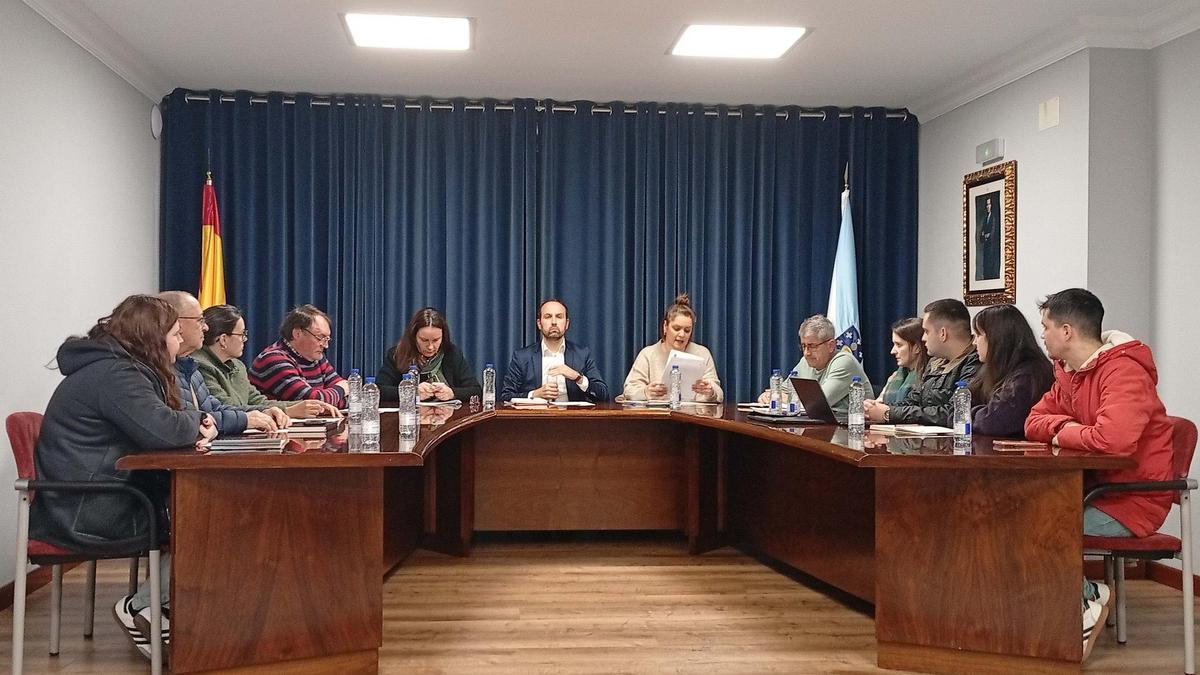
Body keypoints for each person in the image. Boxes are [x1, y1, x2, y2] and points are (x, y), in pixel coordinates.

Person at [28, 295, 216, 659]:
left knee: (201, 506)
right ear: (153, 337)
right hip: (92, 509)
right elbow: (164, 430)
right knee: (204, 513)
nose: (180, 344)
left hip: (101, 495)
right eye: (176, 335)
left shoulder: (118, 367)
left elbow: (171, 420)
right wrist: (197, 424)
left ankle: (161, 606)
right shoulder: (117, 374)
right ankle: (142, 606)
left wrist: (191, 423)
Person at [1024, 288, 1173, 660]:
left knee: (1040, 527)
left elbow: (1113, 441)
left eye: (1046, 327)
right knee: (1018, 515)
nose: (1042, 335)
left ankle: (1089, 597)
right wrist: (1068, 428)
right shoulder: (1069, 373)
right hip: (1093, 490)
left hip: (1133, 500)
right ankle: (1057, 612)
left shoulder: (1123, 371)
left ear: (1067, 330)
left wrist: (1062, 431)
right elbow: (1033, 421)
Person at [159, 292, 289, 434]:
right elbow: (183, 423)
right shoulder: (191, 365)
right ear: (177, 323)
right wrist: (245, 419)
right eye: (200, 320)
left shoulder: (190, 368)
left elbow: (215, 408)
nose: (205, 327)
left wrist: (262, 412)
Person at [194, 304, 341, 418]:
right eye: (241, 334)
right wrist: (290, 410)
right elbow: (224, 407)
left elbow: (258, 401)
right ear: (224, 339)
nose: (245, 339)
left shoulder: (237, 366)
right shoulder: (200, 365)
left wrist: (309, 406)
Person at [865, 298, 981, 426]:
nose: (923, 338)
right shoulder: (934, 363)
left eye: (926, 331)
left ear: (943, 333)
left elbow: (953, 413)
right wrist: (877, 408)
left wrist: (889, 413)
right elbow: (912, 401)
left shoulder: (975, 363)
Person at [967, 304, 1054, 437]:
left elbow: (993, 422)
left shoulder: (1029, 374)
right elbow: (958, 406)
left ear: (996, 338)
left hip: (1020, 455)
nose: (974, 343)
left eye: (979, 335)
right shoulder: (991, 369)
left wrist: (968, 415)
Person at [756, 314, 869, 416]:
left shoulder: (844, 362)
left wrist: (783, 398)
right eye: (803, 346)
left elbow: (817, 404)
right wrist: (771, 396)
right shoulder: (806, 361)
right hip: (820, 425)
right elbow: (784, 390)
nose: (806, 353)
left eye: (812, 346)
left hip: (853, 429)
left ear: (831, 345)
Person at [499, 298, 609, 402]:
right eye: (548, 317)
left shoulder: (582, 354)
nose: (554, 322)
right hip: (534, 419)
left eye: (559, 316)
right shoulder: (522, 357)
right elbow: (506, 396)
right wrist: (534, 394)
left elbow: (603, 395)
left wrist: (578, 378)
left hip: (573, 419)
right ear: (539, 324)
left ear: (566, 324)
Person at [623, 293, 723, 402]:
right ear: (665, 327)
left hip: (692, 415)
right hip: (657, 416)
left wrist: (710, 391)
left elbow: (719, 394)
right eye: (676, 328)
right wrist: (646, 392)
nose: (682, 335)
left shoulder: (702, 353)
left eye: (687, 330)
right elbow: (629, 390)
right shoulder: (648, 354)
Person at [249, 304, 349, 407]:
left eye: (327, 339)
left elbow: (352, 397)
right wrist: (341, 390)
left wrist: (331, 398)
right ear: (297, 334)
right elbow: (313, 402)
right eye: (320, 337)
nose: (326, 345)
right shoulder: (273, 359)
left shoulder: (317, 357)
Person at [376, 307, 481, 402]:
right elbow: (378, 390)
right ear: (414, 337)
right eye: (424, 340)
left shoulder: (451, 353)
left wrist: (452, 393)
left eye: (436, 340)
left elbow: (476, 391)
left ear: (443, 337)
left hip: (448, 419)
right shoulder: (397, 354)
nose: (430, 347)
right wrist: (412, 393)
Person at [873, 317, 928, 406]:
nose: (892, 351)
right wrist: (871, 406)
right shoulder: (894, 376)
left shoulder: (928, 378)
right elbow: (880, 403)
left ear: (917, 347)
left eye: (899, 345)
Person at [976, 195, 1000, 280]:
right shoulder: (985, 219)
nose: (987, 206)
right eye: (986, 205)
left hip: (992, 249)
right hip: (986, 249)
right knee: (985, 268)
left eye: (989, 204)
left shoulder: (994, 218)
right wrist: (984, 235)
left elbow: (992, 233)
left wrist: (986, 235)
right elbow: (981, 237)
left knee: (991, 269)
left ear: (992, 205)